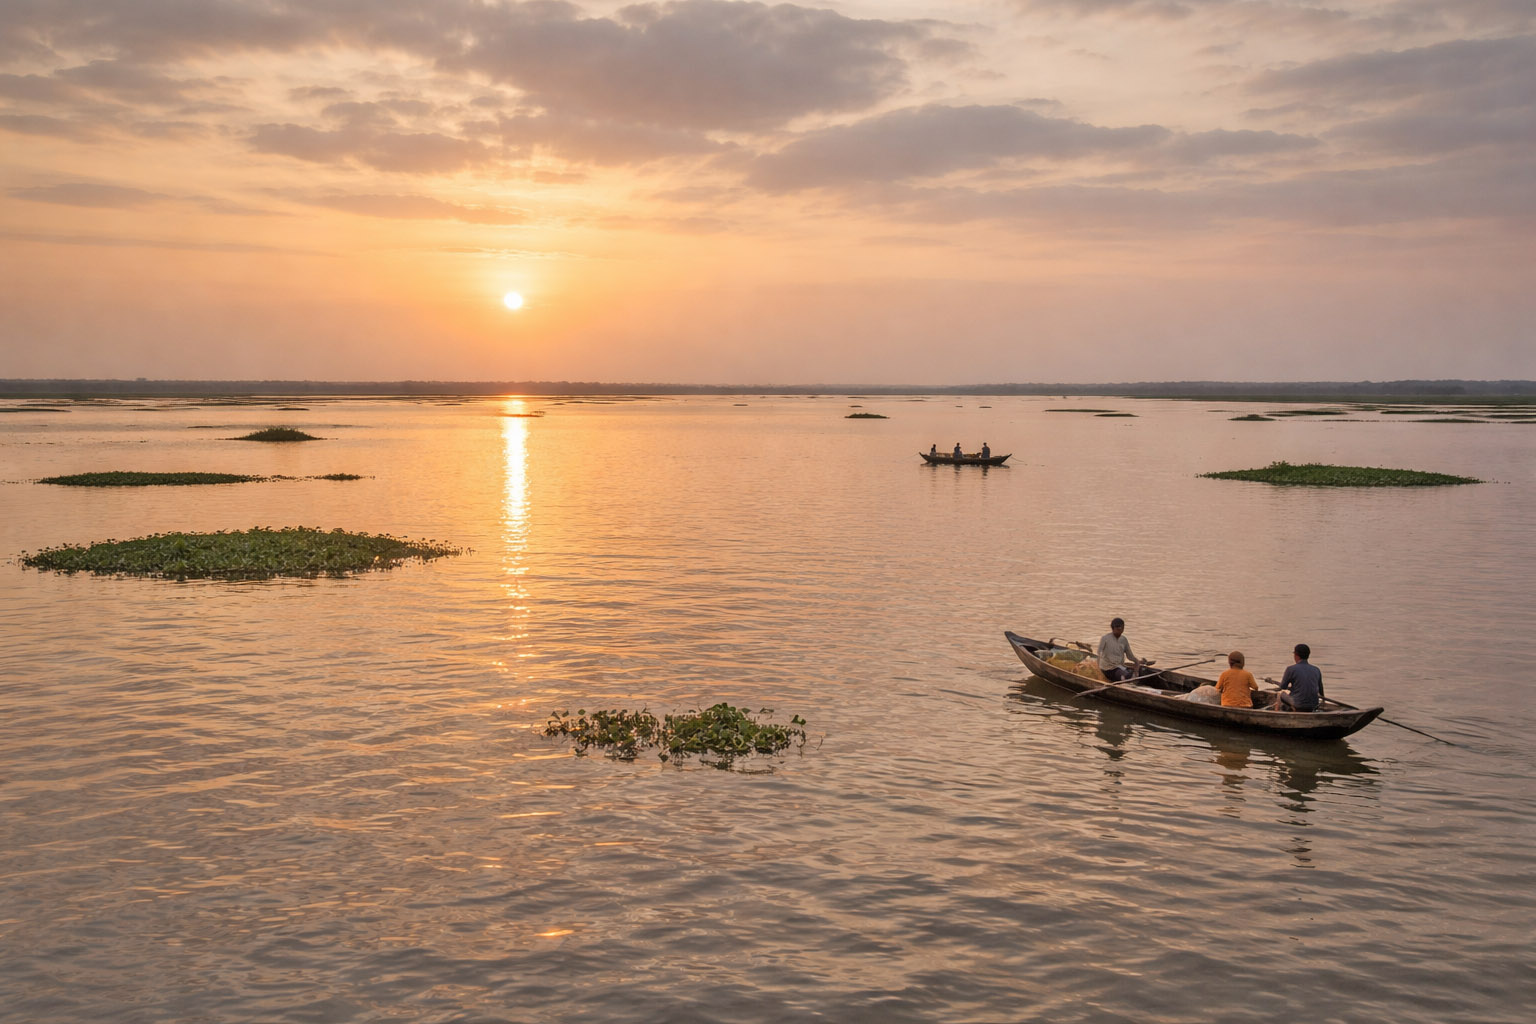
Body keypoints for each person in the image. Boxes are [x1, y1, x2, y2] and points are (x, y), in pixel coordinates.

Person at [1097, 617, 1151, 682]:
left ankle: (1131, 679)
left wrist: (1137, 663)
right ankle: (1127, 681)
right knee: (1124, 675)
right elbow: (1099, 654)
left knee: (1142, 671)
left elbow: (1130, 656)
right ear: (1113, 628)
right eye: (1117, 628)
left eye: (1121, 628)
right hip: (1107, 669)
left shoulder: (1124, 640)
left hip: (1119, 666)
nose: (1120, 629)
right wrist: (1098, 670)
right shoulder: (1105, 638)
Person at [1274, 643, 1324, 711]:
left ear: (1296, 655)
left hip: (1298, 704)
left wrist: (1290, 688)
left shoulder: (1290, 669)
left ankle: (1285, 711)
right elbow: (1321, 690)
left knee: (1281, 694)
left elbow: (1283, 687)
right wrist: (1323, 701)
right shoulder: (1316, 669)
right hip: (1314, 705)